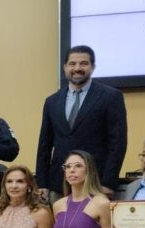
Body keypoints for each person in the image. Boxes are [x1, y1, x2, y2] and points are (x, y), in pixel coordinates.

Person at [36, 45, 128, 203]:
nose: (77, 68)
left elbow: (118, 143)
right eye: (72, 64)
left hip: (95, 184)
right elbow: (44, 144)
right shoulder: (52, 101)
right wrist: (42, 182)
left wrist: (107, 182)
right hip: (59, 184)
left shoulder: (110, 97)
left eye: (83, 64)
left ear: (93, 67)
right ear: (65, 67)